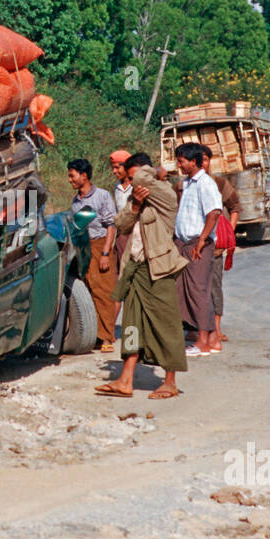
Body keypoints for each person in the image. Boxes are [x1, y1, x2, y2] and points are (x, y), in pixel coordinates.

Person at [95, 152, 189, 400]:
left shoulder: (166, 195)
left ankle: (170, 381)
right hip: (135, 268)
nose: (132, 179)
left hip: (158, 269)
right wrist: (135, 206)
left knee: (166, 325)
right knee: (131, 325)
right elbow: (121, 223)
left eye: (134, 172)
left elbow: (140, 179)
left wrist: (155, 170)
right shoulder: (139, 198)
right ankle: (125, 379)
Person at [173, 143, 223, 358]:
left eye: (181, 161)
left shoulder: (205, 184)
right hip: (184, 244)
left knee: (199, 292)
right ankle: (206, 338)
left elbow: (214, 213)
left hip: (197, 245)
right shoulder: (187, 184)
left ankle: (204, 341)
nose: (179, 164)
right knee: (185, 291)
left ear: (193, 162)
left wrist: (202, 241)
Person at [67, 158, 120, 352]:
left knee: (104, 292)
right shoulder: (76, 201)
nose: (70, 180)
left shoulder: (102, 196)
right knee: (89, 289)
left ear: (84, 175)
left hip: (99, 246)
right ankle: (96, 335)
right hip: (83, 247)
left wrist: (106, 253)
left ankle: (107, 337)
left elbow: (111, 226)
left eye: (73, 176)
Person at [205, 152, 240, 349]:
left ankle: (216, 329)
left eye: (205, 159)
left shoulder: (219, 184)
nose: (203, 164)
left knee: (214, 286)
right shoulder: (183, 186)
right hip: (193, 247)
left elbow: (235, 206)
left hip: (215, 247)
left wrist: (228, 232)